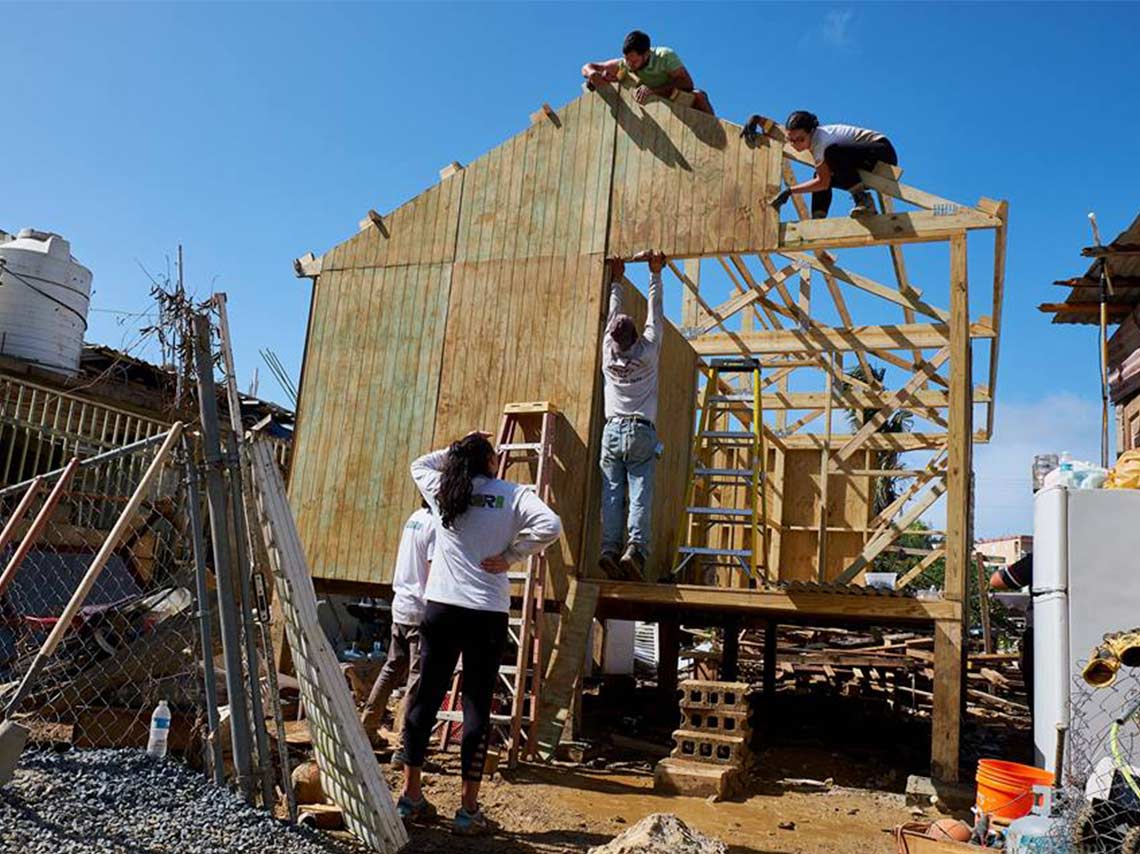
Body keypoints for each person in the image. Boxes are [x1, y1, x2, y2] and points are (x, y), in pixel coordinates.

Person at [395, 432, 562, 835]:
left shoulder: (444, 490)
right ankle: (468, 809)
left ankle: (409, 797)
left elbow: (419, 462)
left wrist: (457, 451)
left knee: (425, 698)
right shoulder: (512, 494)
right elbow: (551, 525)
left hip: (440, 609)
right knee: (476, 706)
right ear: (491, 460)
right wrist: (511, 556)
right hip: (486, 614)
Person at [599, 249, 664, 580]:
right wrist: (655, 274)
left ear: (613, 339)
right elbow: (656, 315)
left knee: (612, 493)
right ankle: (634, 551)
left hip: (611, 431)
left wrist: (616, 280)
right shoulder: (649, 352)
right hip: (640, 430)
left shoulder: (607, 354)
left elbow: (613, 315)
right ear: (636, 336)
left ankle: (608, 550)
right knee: (640, 491)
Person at [359, 500, 434, 752]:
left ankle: (368, 728)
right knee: (417, 677)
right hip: (421, 610)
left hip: (401, 605)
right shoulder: (436, 525)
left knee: (391, 668)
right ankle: (406, 743)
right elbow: (434, 573)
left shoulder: (415, 518)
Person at [765, 110, 897, 219]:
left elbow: (823, 182)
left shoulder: (821, 141)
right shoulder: (810, 140)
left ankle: (864, 201)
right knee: (820, 173)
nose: (795, 145)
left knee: (831, 154)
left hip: (881, 152)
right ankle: (817, 220)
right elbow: (777, 131)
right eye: (791, 140)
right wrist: (756, 120)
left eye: (800, 139)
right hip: (861, 161)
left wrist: (790, 191)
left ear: (811, 132)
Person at [581, 30, 715, 115]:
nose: (630, 65)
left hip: (673, 98)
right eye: (627, 60)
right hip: (650, 109)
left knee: (699, 96)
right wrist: (592, 74)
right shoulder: (624, 65)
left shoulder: (664, 56)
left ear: (646, 55)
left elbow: (687, 83)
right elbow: (588, 66)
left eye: (634, 62)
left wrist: (653, 90)